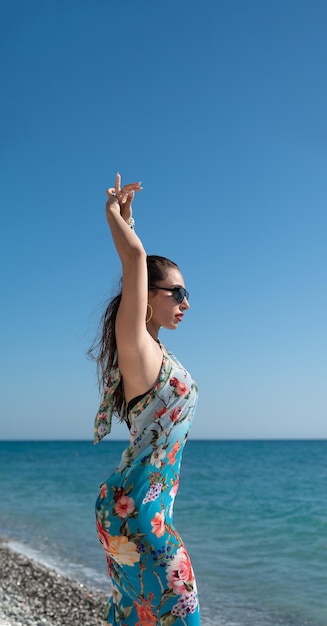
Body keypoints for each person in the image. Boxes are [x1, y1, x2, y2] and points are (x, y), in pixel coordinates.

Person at [90, 173, 200, 625]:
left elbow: (141, 266)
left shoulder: (153, 352)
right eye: (177, 293)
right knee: (181, 611)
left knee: (135, 618)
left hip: (136, 509)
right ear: (147, 297)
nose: (186, 303)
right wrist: (117, 217)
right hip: (137, 511)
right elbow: (135, 257)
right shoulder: (135, 348)